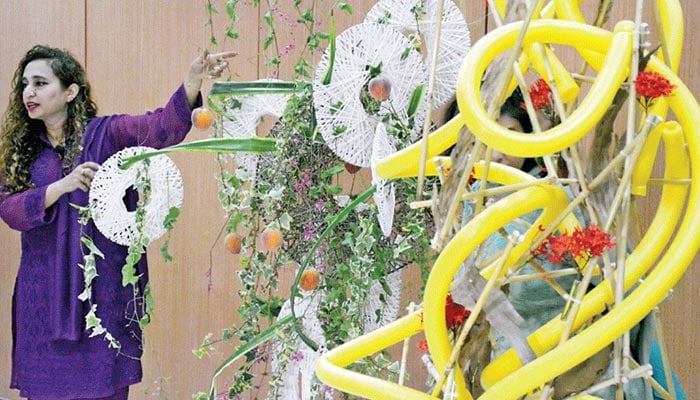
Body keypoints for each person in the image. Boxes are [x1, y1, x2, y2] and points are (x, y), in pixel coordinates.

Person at [0, 44, 235, 400]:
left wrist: (191, 81)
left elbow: (160, 129)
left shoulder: (107, 135)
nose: (28, 93)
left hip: (102, 294)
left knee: (104, 388)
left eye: (40, 83)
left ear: (70, 91)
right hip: (42, 296)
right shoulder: (23, 151)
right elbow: (10, 210)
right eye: (25, 85)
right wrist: (60, 187)